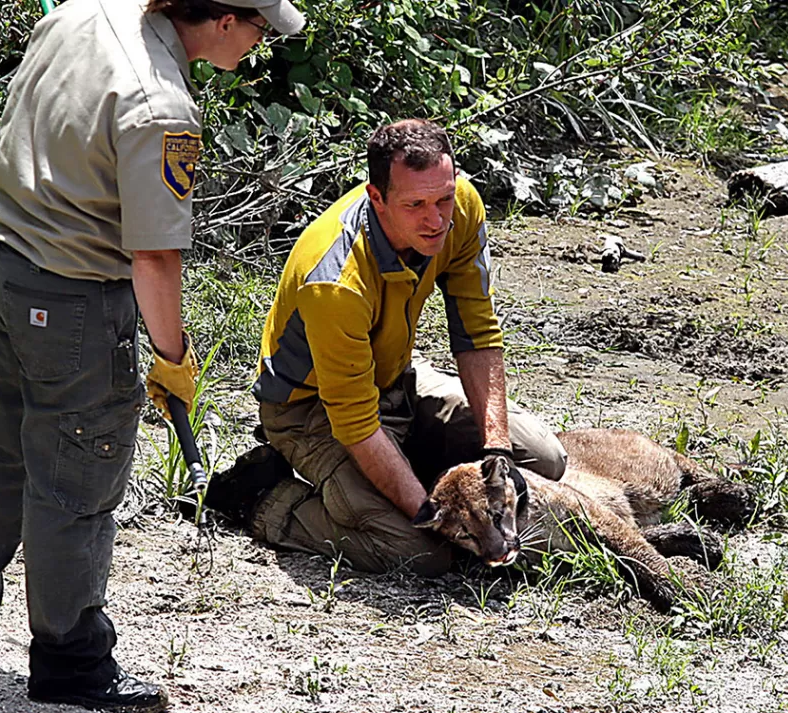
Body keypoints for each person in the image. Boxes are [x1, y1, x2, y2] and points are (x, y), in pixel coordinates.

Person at [0, 0, 305, 711]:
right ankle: (71, 659)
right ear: (224, 20)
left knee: (3, 438)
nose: (260, 46)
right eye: (259, 29)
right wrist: (172, 354)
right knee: (78, 468)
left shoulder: (84, 11)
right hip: (68, 295)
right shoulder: (160, 105)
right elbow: (154, 258)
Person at [215, 119, 567, 576]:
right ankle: (265, 498)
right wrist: (427, 514)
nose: (437, 218)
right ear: (376, 198)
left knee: (543, 457)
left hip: (395, 377)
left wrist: (494, 452)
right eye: (416, 204)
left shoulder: (461, 205)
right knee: (423, 552)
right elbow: (357, 422)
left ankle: (409, 464)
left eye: (443, 198)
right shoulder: (335, 279)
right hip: (313, 410)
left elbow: (477, 332)